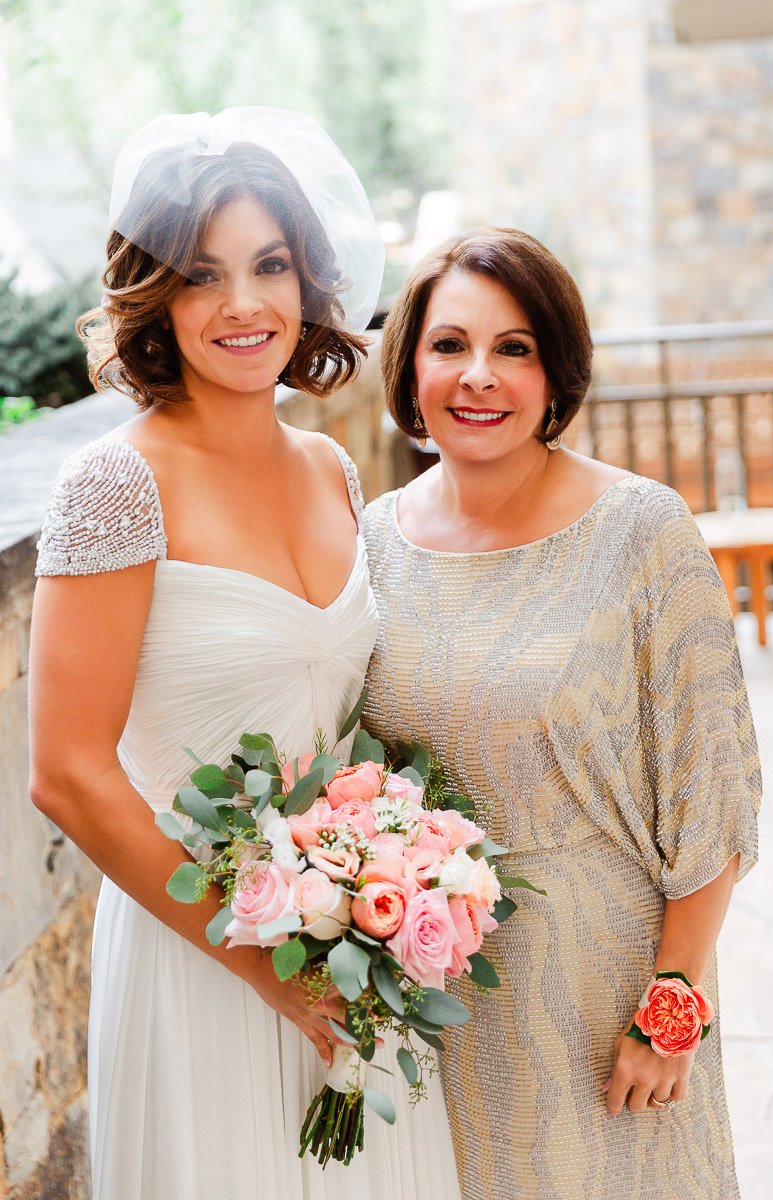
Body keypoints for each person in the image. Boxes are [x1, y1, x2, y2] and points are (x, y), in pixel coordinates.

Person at [28, 108, 460, 1200]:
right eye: (200, 275)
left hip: (358, 950)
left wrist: (398, 881)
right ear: (153, 300)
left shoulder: (330, 469)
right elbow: (69, 773)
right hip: (201, 955)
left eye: (269, 265)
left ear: (308, 281)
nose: (242, 304)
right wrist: (265, 969)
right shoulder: (115, 484)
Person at [362, 227, 760, 1200]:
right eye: (448, 345)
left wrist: (671, 1005)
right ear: (409, 365)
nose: (477, 377)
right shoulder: (370, 542)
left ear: (555, 373)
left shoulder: (641, 529)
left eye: (514, 348)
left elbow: (715, 789)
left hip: (609, 994)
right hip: (435, 1000)